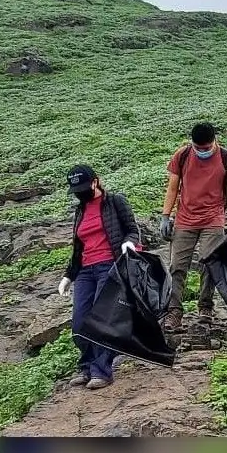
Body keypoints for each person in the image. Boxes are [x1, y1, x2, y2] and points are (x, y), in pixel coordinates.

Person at [57, 164, 142, 390]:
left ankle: (101, 371)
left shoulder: (115, 201)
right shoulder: (80, 210)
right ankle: (86, 366)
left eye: (83, 188)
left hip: (109, 266)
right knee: (79, 322)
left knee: (102, 319)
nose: (80, 194)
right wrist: (68, 276)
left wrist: (129, 243)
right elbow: (78, 247)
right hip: (85, 271)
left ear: (95, 181)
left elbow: (132, 229)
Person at [160, 122, 227, 330]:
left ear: (214, 141)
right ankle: (174, 311)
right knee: (177, 266)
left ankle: (205, 307)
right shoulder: (182, 156)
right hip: (185, 219)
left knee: (209, 264)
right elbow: (173, 188)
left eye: (206, 148)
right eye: (198, 148)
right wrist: (165, 216)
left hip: (213, 219)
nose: (202, 151)